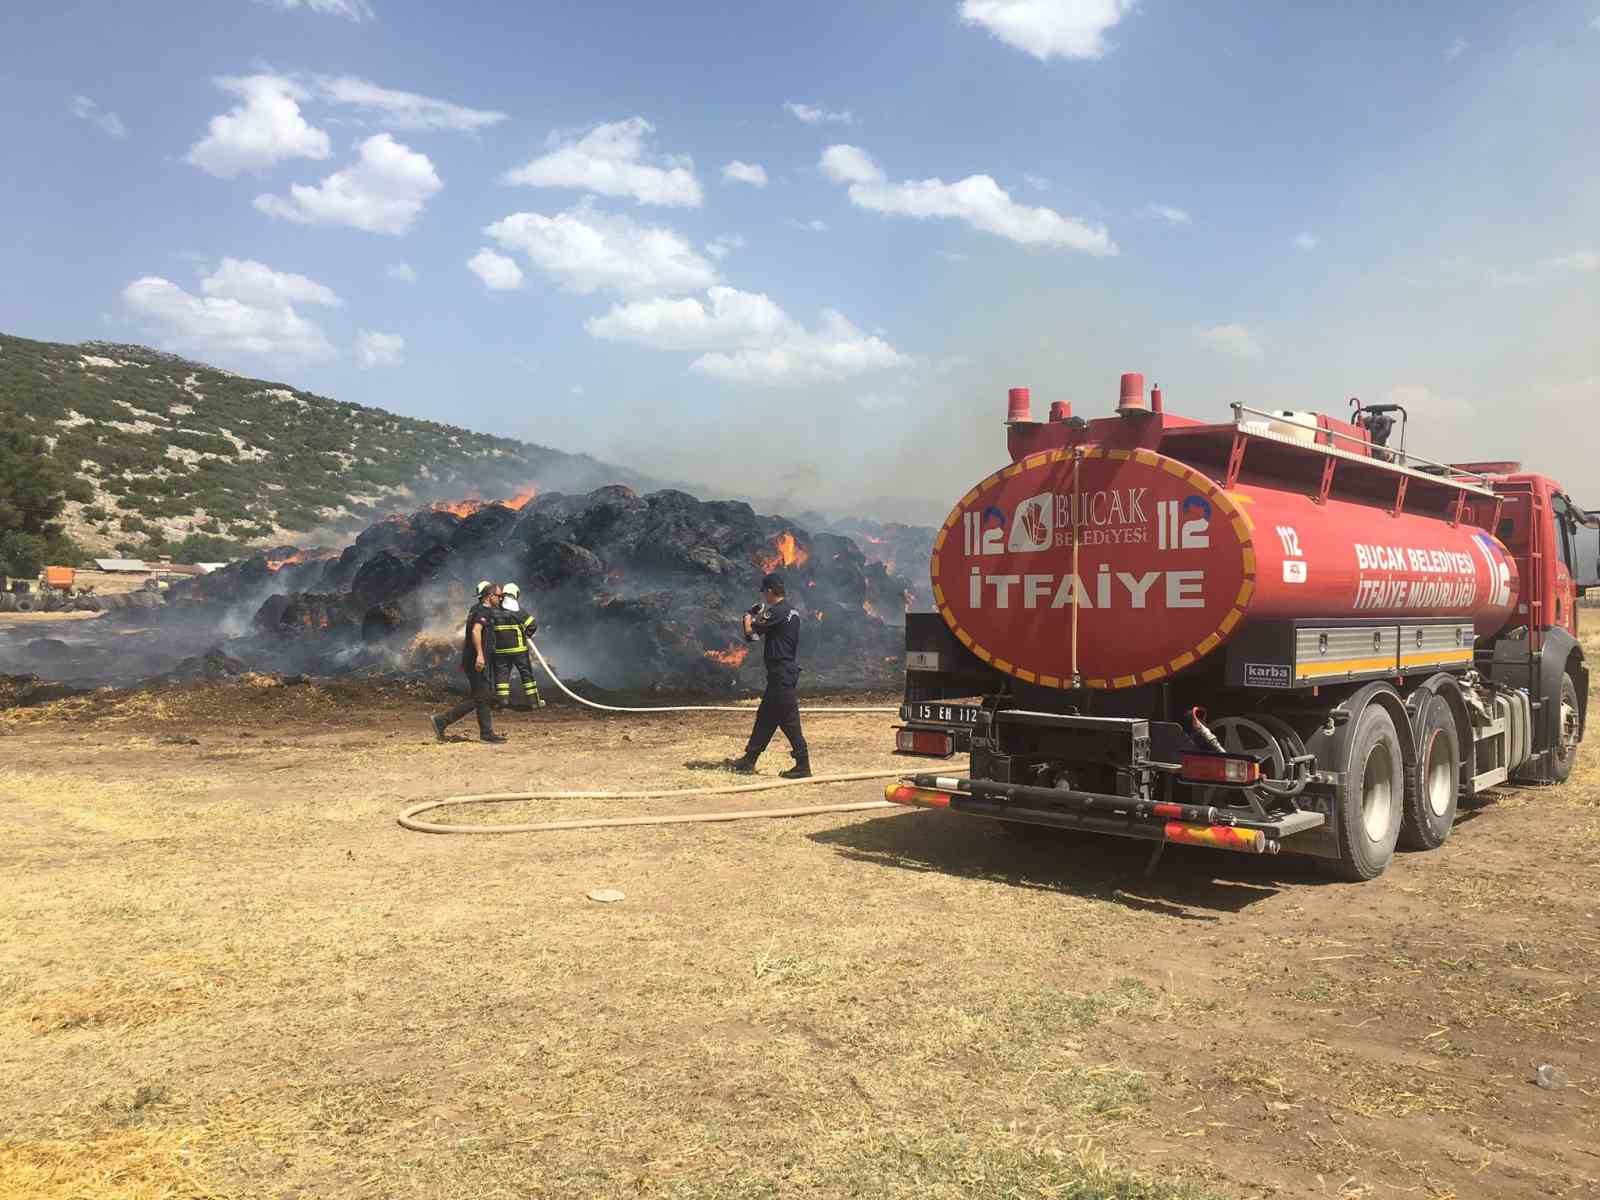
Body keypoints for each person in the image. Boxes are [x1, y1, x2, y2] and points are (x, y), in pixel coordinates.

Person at [724, 572, 810, 778]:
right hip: (781, 672)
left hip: (781, 673)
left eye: (764, 592)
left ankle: (803, 764)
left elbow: (751, 635)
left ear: (770, 591)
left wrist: (747, 616)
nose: (763, 596)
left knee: (789, 720)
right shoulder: (791, 612)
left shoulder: (777, 612)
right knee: (766, 718)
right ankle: (749, 759)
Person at [430, 580, 508, 743]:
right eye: (499, 596)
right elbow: (476, 630)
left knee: (481, 695)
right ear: (490, 596)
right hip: (476, 660)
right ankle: (442, 720)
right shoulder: (484, 612)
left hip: (471, 659)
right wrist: (480, 655)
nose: (501, 599)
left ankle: (486, 733)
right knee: (481, 696)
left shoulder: (475, 609)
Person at [494, 582, 545, 710]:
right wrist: (527, 634)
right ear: (515, 593)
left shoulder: (494, 611)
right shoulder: (517, 610)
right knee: (526, 674)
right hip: (519, 650)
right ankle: (534, 702)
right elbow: (532, 624)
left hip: (500, 651)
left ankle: (503, 703)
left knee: (502, 676)